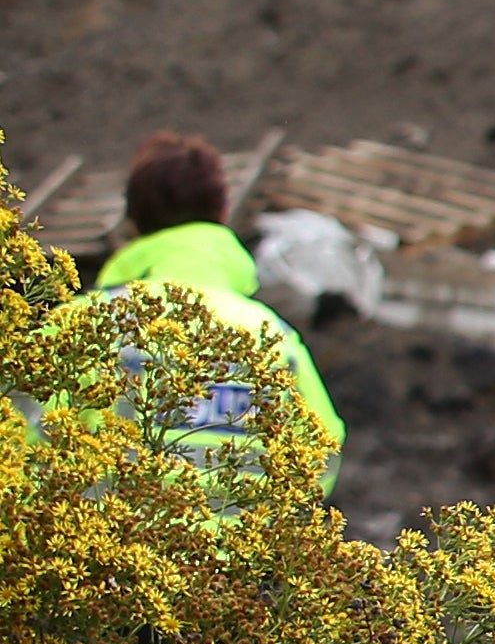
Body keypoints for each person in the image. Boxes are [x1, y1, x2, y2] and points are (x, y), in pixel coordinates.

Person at [87, 133, 340, 494]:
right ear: (221, 212)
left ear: (133, 222)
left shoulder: (84, 325)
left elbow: (20, 437)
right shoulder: (273, 338)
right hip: (238, 549)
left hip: (100, 545)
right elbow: (322, 452)